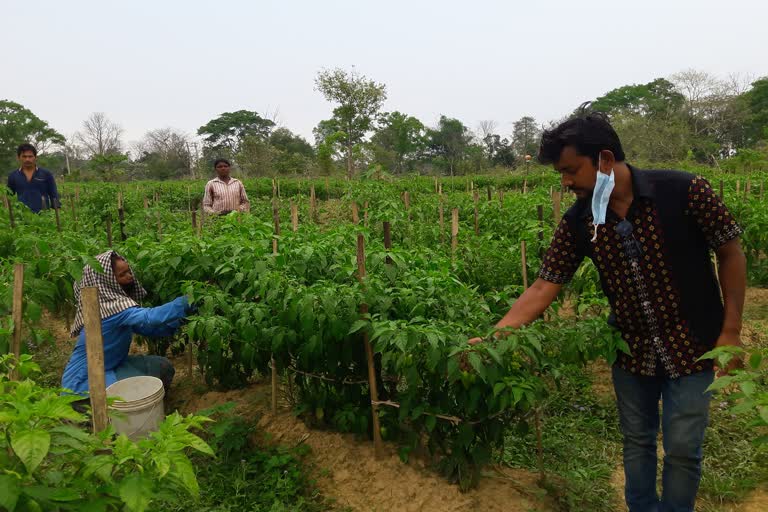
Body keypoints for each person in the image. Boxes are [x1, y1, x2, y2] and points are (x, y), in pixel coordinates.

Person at [471, 112, 746, 512]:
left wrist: (731, 330)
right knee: (636, 442)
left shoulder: (685, 190)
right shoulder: (581, 220)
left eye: (570, 171)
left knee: (684, 448)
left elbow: (730, 252)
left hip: (694, 344)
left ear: (603, 159)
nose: (566, 183)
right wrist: (496, 336)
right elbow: (545, 284)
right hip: (631, 350)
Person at [62, 250, 193, 395]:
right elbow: (151, 317)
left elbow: (150, 329)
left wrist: (182, 320)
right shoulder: (109, 309)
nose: (130, 277)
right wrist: (188, 300)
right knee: (140, 390)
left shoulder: (114, 308)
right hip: (83, 382)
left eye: (128, 271)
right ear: (106, 281)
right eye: (122, 275)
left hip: (111, 367)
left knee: (162, 366)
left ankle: (152, 406)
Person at [6, 143, 60, 213]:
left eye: (30, 156)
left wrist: (57, 215)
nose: (27, 159)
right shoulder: (13, 176)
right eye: (24, 156)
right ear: (18, 157)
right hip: (22, 217)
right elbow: (9, 197)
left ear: (35, 157)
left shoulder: (46, 174)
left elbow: (54, 195)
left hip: (44, 216)